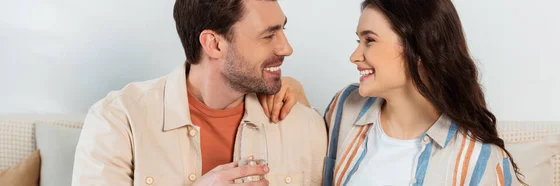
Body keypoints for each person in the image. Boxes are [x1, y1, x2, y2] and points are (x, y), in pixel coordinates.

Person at [261, 0, 526, 185]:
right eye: (358, 40)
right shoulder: (345, 107)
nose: (355, 56)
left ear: (419, 50)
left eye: (370, 40)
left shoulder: (478, 159)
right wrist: (296, 90)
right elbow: (310, 154)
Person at [71, 0, 327, 185]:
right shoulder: (118, 121)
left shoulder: (306, 127)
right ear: (214, 44)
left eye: (283, 29)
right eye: (268, 35)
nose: (287, 48)